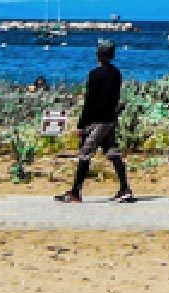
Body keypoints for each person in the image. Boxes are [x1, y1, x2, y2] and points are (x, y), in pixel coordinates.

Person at [56, 39, 134, 203]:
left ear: (98, 54)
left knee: (85, 154)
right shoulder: (116, 73)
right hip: (110, 119)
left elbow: (90, 102)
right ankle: (124, 188)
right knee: (113, 152)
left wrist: (81, 125)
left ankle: (76, 191)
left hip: (96, 121)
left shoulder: (95, 74)